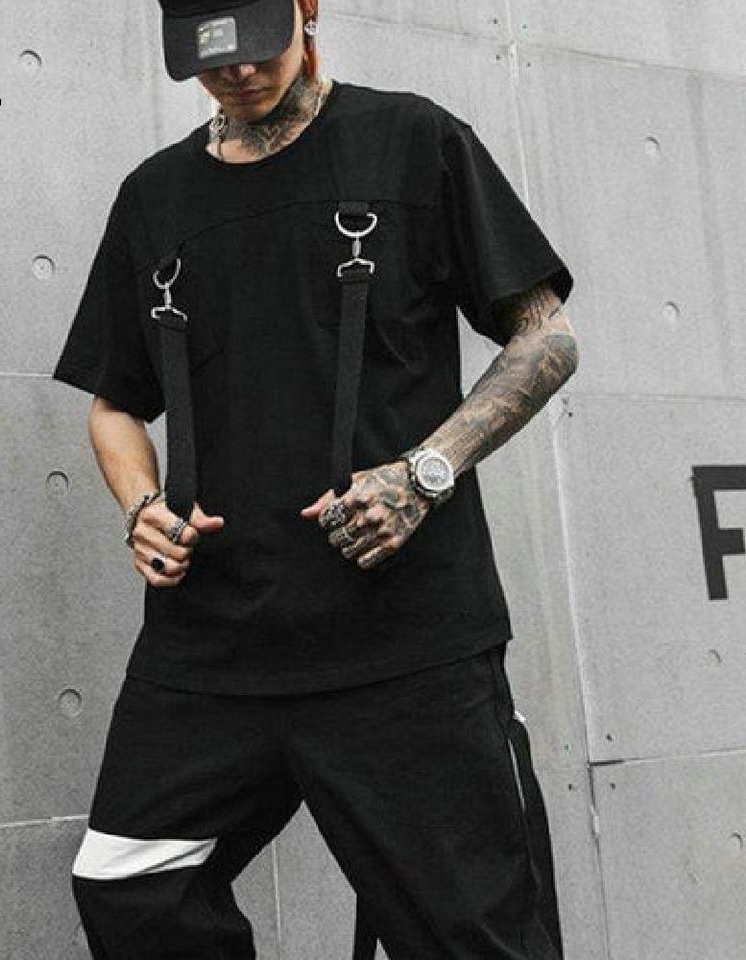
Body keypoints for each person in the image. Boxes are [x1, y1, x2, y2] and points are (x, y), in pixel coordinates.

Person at [51, 0, 578, 956]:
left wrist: (424, 473)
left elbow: (546, 340)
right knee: (130, 885)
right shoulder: (153, 198)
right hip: (211, 648)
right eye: (211, 59)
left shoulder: (412, 142)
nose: (239, 73)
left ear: (307, 10)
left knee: (473, 935)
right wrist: (140, 507)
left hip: (403, 642)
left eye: (258, 48)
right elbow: (114, 403)